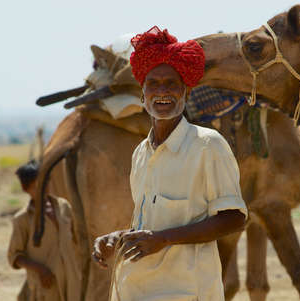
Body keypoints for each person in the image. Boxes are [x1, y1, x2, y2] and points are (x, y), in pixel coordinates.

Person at [92, 26, 247, 301]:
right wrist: (117, 238)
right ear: (142, 94)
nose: (162, 91)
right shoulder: (141, 153)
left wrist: (164, 239)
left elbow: (233, 218)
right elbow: (150, 224)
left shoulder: (208, 145)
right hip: (134, 290)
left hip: (185, 291)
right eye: (153, 84)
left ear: (185, 92)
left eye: (171, 84)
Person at [7, 160, 81, 301]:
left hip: (71, 282)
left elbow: (75, 240)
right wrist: (40, 270)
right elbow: (15, 256)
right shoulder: (22, 219)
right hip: (44, 286)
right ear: (26, 188)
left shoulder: (63, 207)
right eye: (37, 185)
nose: (44, 188)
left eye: (45, 182)